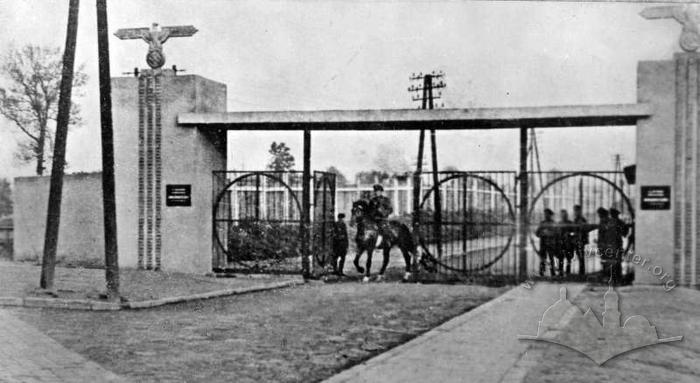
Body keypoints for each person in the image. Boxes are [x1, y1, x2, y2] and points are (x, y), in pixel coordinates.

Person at [535, 208, 558, 277]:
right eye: (545, 214)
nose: (546, 215)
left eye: (547, 214)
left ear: (550, 215)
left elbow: (556, 233)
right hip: (543, 243)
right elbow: (537, 233)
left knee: (551, 259)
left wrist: (550, 233)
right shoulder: (542, 223)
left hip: (551, 244)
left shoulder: (553, 223)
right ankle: (542, 273)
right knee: (543, 259)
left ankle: (552, 273)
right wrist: (543, 233)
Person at [596, 207, 617, 283]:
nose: (599, 216)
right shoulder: (610, 221)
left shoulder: (605, 222)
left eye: (599, 214)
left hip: (606, 244)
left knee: (607, 261)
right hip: (607, 244)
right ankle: (609, 277)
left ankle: (608, 277)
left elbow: (603, 234)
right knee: (608, 261)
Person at [609, 208, 629, 284]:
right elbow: (625, 232)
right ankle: (617, 278)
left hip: (611, 244)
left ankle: (613, 278)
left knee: (612, 262)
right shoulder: (620, 222)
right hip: (617, 244)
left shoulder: (609, 222)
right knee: (617, 261)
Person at [558, 209, 577, 276]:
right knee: (561, 259)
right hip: (561, 243)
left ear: (567, 215)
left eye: (565, 215)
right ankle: (560, 272)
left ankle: (568, 272)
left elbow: (574, 233)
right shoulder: (559, 223)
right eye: (562, 215)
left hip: (568, 243)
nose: (563, 216)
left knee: (568, 259)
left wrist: (569, 234)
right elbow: (557, 233)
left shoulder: (570, 223)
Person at [572, 205, 589, 276]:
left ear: (579, 211)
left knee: (581, 256)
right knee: (579, 256)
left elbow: (585, 231)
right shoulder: (576, 219)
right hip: (577, 240)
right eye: (575, 210)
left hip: (580, 240)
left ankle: (582, 272)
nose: (575, 212)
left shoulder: (581, 219)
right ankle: (581, 271)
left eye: (576, 210)